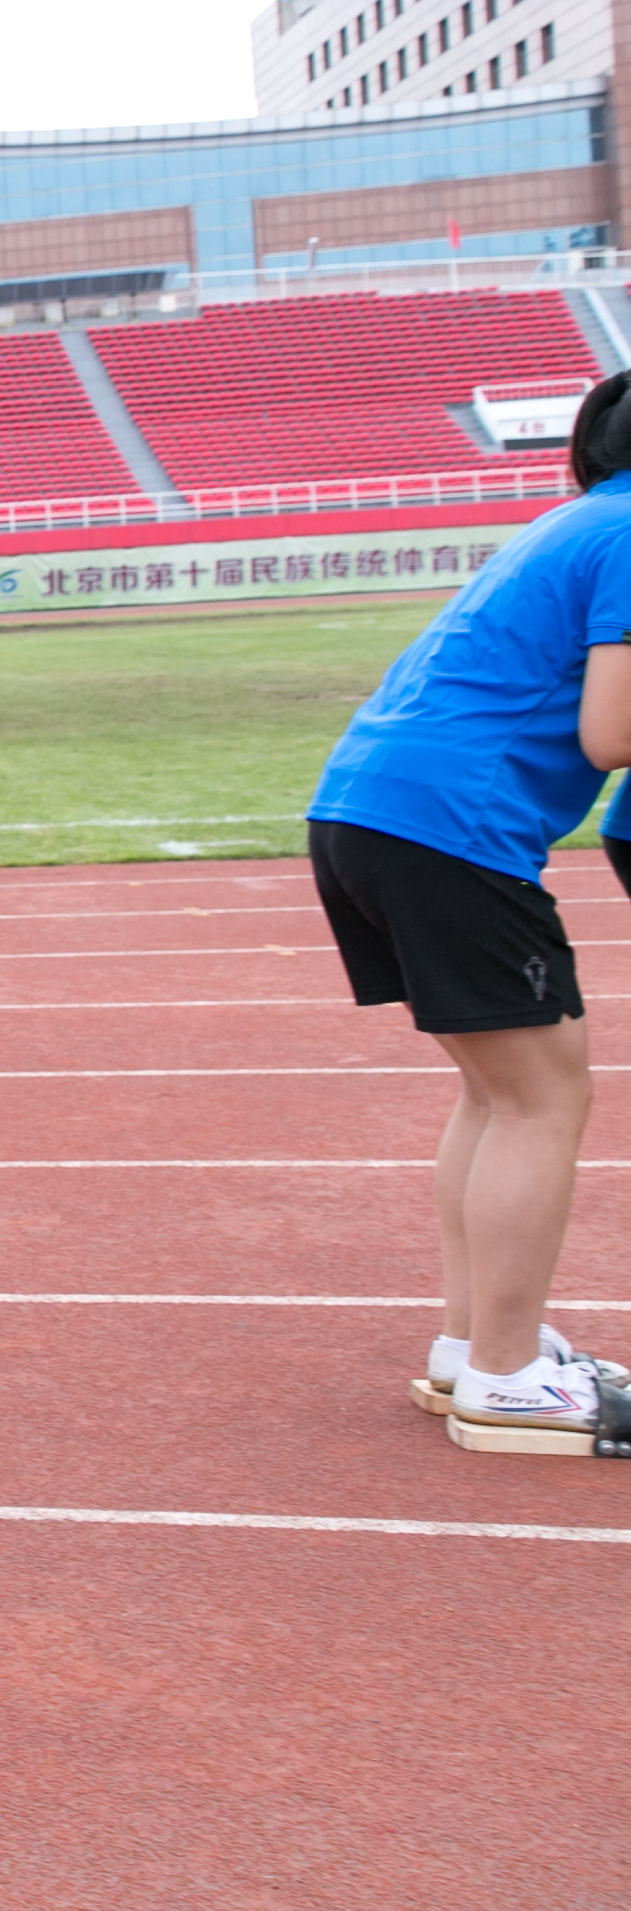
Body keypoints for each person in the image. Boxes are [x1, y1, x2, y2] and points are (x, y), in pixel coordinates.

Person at [310, 369, 631, 1442]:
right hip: (451, 825)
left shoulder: (579, 521)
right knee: (544, 1097)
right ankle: (505, 1373)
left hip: (372, 806)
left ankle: (476, 1345)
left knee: (503, 1094)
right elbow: (613, 736)